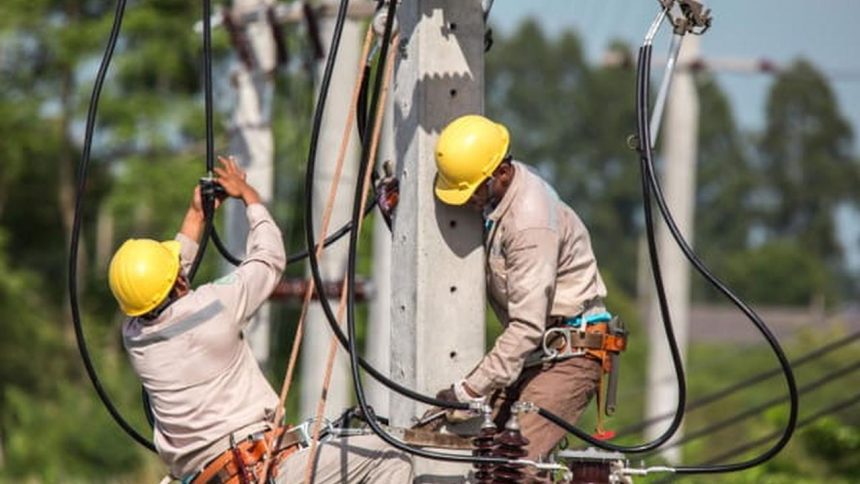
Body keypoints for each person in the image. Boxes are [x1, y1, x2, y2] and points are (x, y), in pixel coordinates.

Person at [108, 156, 412, 483]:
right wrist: (249, 196)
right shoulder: (214, 308)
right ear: (177, 282)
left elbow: (166, 280)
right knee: (392, 456)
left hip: (211, 475)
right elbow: (268, 258)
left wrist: (197, 214)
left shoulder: (136, 338)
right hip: (260, 471)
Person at [428, 114, 623, 477]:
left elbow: (526, 327)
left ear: (501, 173)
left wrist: (469, 390)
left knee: (515, 469)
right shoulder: (497, 198)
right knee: (484, 461)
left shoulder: (529, 222)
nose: (467, 200)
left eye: (472, 190)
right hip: (536, 354)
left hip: (569, 354)